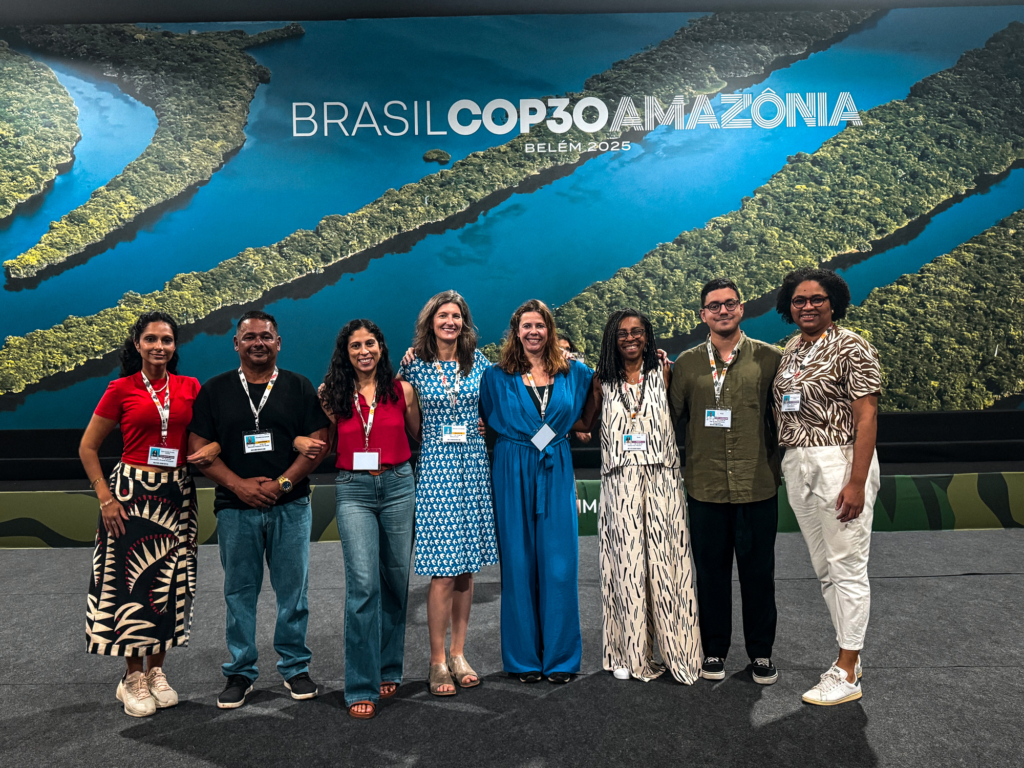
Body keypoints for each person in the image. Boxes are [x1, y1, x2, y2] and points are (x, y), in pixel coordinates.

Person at [187, 310, 331, 710]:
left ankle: (295, 666)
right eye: (249, 337)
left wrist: (282, 484)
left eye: (266, 336)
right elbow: (197, 450)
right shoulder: (215, 390)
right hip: (235, 508)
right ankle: (240, 671)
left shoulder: (298, 386)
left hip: (291, 505)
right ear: (236, 344)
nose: (258, 343)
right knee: (239, 593)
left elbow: (319, 443)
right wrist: (239, 486)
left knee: (293, 593)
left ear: (278, 343)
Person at [79, 311, 212, 717]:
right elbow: (87, 447)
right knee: (130, 585)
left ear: (175, 346)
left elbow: (206, 437)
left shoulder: (190, 387)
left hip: (176, 494)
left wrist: (213, 449)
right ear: (137, 344)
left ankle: (156, 672)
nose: (159, 346)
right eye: (151, 339)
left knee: (167, 584)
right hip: (130, 496)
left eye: (167, 340)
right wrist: (105, 498)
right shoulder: (121, 389)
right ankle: (131, 677)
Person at [575, 309, 702, 683]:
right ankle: (627, 650)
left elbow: (686, 412)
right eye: (622, 333)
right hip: (620, 483)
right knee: (625, 563)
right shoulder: (601, 380)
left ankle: (678, 649)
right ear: (611, 340)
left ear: (648, 336)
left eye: (637, 332)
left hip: (662, 478)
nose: (630, 338)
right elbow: (583, 422)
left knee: (667, 561)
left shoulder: (664, 371)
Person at [772, 268, 881, 706]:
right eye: (799, 300)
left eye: (817, 299)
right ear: (789, 306)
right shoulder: (792, 349)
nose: (808, 306)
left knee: (847, 566)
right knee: (825, 569)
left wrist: (856, 482)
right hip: (798, 461)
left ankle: (847, 670)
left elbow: (867, 416)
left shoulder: (851, 346)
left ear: (833, 302)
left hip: (839, 459)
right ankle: (849, 655)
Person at [668, 277, 783, 685]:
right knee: (711, 576)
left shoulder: (770, 358)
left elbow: (783, 419)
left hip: (757, 486)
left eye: (730, 303)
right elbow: (670, 419)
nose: (722, 311)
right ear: (703, 315)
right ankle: (713, 649)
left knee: (758, 576)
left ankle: (761, 654)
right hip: (706, 488)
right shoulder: (686, 364)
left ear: (741, 308)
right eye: (714, 306)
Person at [479, 299, 592, 684]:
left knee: (559, 565)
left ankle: (561, 658)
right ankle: (523, 659)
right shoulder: (496, 376)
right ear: (516, 332)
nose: (533, 332)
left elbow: (598, 401)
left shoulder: (576, 372)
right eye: (526, 326)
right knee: (518, 563)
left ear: (550, 330)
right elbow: (482, 414)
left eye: (539, 325)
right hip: (512, 467)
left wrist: (659, 363)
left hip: (555, 467)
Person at [318, 319, 421, 719]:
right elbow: (324, 444)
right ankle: (361, 683)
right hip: (354, 490)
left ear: (381, 347)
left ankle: (388, 668)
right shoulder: (331, 394)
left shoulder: (402, 390)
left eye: (370, 343)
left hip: (398, 486)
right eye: (356, 345)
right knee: (363, 585)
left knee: (396, 581)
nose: (364, 351)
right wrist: (299, 440)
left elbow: (421, 436)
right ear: (345, 353)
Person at [399, 291, 497, 696]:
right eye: (443, 315)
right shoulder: (414, 366)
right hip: (437, 470)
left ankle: (459, 654)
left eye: (456, 316)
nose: (450, 322)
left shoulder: (480, 363)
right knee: (442, 572)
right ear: (431, 321)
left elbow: (495, 406)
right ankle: (437, 660)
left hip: (473, 466)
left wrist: (485, 426)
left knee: (466, 569)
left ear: (464, 322)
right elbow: (411, 424)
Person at [558, 336, 591, 444]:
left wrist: (580, 423)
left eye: (567, 349)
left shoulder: (575, 372)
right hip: (545, 432)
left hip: (563, 435)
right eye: (559, 348)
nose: (565, 352)